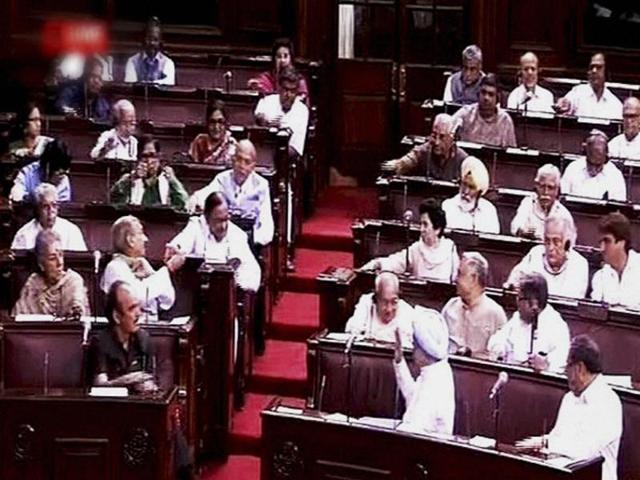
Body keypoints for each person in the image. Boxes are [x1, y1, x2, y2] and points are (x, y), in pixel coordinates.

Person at [516, 335, 622, 480]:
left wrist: (547, 442)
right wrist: (541, 441)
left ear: (579, 368)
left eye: (567, 367)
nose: (565, 373)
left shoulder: (608, 402)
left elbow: (584, 452)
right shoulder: (569, 398)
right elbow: (557, 437)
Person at [166, 192, 261, 293]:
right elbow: (182, 243)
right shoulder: (196, 226)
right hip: (196, 291)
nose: (224, 226)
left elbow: (251, 268)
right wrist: (176, 251)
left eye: (226, 219)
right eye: (218, 221)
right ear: (207, 218)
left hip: (227, 293)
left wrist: (240, 288)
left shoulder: (238, 235)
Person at [187, 139, 273, 247]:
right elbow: (207, 193)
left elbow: (265, 220)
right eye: (239, 159)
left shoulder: (261, 185)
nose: (242, 165)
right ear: (232, 160)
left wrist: (256, 241)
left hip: (249, 236)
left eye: (247, 162)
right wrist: (195, 198)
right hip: (223, 231)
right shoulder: (222, 178)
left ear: (253, 166)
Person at [101, 215, 184, 316]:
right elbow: (138, 297)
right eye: (140, 233)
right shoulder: (115, 268)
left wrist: (151, 274)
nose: (146, 239)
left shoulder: (142, 264)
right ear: (130, 240)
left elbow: (167, 301)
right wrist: (168, 268)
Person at [362, 199, 459, 283]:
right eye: (420, 224)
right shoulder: (416, 249)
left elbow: (456, 277)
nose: (421, 229)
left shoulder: (450, 248)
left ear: (437, 229)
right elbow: (395, 262)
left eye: (425, 225)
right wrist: (376, 264)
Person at [488, 273, 570, 372]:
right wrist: (499, 348)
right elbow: (497, 341)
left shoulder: (557, 327)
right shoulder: (517, 317)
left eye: (519, 298)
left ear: (534, 303)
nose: (516, 302)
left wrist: (545, 367)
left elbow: (560, 366)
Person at [392, 306, 454, 435]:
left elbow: (413, 430)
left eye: (415, 346)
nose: (413, 350)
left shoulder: (436, 381)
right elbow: (412, 398)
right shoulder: (435, 370)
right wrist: (399, 361)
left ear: (424, 350)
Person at [92, 281, 158, 393]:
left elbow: (151, 379)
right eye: (132, 308)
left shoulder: (144, 339)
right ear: (117, 316)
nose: (139, 314)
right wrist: (127, 380)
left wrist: (148, 386)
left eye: (138, 306)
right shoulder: (100, 342)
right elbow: (100, 385)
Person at [505, 215, 588, 299]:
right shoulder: (535, 253)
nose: (550, 248)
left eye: (556, 242)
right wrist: (513, 287)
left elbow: (570, 300)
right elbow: (513, 282)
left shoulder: (579, 264)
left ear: (567, 244)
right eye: (547, 241)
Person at [441, 252, 507, 356]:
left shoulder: (495, 313)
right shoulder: (450, 306)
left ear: (474, 278)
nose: (455, 279)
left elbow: (501, 356)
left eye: (460, 274)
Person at [12, 229, 89, 318]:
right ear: (41, 264)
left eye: (61, 255)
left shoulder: (73, 281)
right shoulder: (33, 283)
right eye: (52, 258)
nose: (60, 263)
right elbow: (18, 317)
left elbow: (78, 313)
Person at [381, 113, 467, 180]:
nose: (436, 142)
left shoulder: (462, 159)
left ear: (452, 138)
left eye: (442, 137)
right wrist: (397, 165)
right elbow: (410, 159)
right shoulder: (423, 151)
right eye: (433, 135)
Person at [110, 136, 189, 209]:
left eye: (152, 155)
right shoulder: (128, 179)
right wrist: (131, 180)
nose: (149, 161)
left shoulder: (167, 179)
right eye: (144, 156)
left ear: (159, 157)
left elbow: (184, 204)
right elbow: (115, 202)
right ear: (138, 158)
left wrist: (173, 180)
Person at [345, 271, 414, 347]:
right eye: (384, 302)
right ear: (375, 299)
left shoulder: (407, 312)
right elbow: (352, 330)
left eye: (394, 302)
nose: (389, 309)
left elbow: (407, 345)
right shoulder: (366, 302)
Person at [11, 183, 87, 251]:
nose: (51, 210)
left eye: (54, 205)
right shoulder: (24, 234)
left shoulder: (71, 231)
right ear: (37, 209)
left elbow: (82, 262)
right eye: (45, 206)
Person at [254, 67, 309, 157]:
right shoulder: (266, 101)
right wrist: (263, 121)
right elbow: (256, 122)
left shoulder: (302, 111)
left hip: (284, 158)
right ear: (279, 88)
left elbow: (295, 149)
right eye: (285, 89)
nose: (288, 95)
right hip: (260, 153)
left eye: (293, 91)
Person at [510, 164, 574, 240]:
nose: (546, 192)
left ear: (557, 190)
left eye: (550, 188)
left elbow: (569, 244)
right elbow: (515, 227)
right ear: (536, 186)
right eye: (542, 186)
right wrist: (524, 232)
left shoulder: (564, 214)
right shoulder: (528, 203)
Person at [452, 74, 517, 148]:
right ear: (478, 94)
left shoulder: (505, 120)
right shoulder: (465, 114)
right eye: (483, 92)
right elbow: (447, 132)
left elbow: (511, 152)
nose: (486, 98)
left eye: (491, 94)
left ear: (497, 98)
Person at [591, 212, 640, 309]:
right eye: (601, 242)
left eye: (607, 241)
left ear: (622, 242)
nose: (602, 248)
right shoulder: (599, 277)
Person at [560, 130, 626, 201]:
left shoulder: (615, 175)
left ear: (606, 158)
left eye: (598, 165)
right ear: (586, 154)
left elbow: (618, 206)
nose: (594, 169)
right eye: (591, 164)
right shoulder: (573, 168)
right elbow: (562, 197)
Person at [554, 53, 622, 120]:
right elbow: (566, 105)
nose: (594, 71)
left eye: (599, 67)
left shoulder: (615, 104)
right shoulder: (577, 92)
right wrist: (563, 104)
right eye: (591, 67)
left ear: (606, 72)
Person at [442, 156, 500, 233]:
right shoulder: (447, 206)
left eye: (471, 187)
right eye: (464, 184)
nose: (466, 191)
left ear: (479, 191)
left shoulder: (489, 210)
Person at [247, 38, 310, 104]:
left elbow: (303, 100)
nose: (282, 60)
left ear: (291, 58)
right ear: (274, 59)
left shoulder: (299, 80)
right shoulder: (266, 78)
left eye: (285, 56)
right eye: (279, 56)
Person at [55, 55, 111, 122]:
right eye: (93, 76)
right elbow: (60, 107)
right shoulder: (69, 93)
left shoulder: (103, 105)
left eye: (99, 78)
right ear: (85, 77)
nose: (96, 81)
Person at [124, 17, 175, 85]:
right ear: (143, 40)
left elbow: (169, 84)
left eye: (156, 40)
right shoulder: (132, 61)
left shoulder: (168, 63)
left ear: (160, 42)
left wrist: (149, 84)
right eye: (149, 39)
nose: (152, 43)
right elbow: (130, 85)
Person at [188, 100, 237, 165]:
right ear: (207, 123)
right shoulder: (199, 141)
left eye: (220, 122)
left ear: (226, 124)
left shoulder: (231, 144)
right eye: (212, 122)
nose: (216, 127)